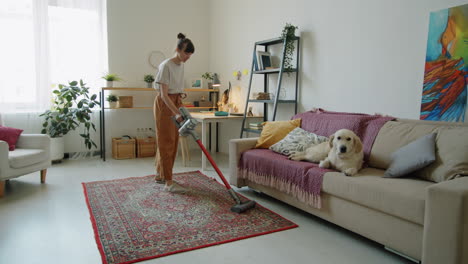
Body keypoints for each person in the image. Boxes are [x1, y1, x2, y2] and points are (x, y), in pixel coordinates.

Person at [153, 33, 194, 193]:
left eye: (190, 54)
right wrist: (176, 113)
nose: (187, 57)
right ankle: (168, 181)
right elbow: (163, 94)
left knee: (173, 140)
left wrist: (180, 107)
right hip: (165, 104)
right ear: (177, 49)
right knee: (166, 141)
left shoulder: (181, 65)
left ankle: (160, 174)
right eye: (185, 53)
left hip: (176, 100)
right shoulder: (166, 65)